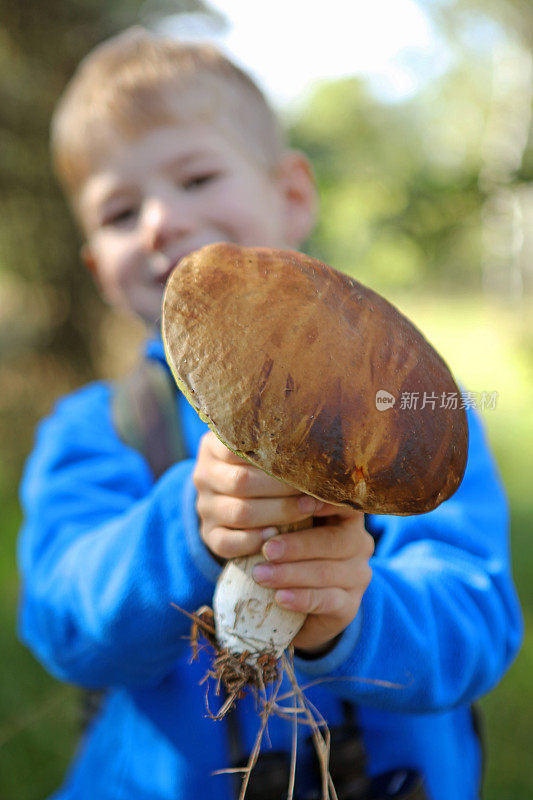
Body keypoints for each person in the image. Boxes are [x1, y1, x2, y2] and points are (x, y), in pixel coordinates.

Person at [17, 27, 522, 800]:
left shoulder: (401, 414)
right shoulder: (97, 431)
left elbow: (475, 621)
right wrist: (183, 528)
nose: (159, 224)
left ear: (290, 195)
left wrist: (353, 618)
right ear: (96, 267)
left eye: (194, 177)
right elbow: (62, 627)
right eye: (119, 213)